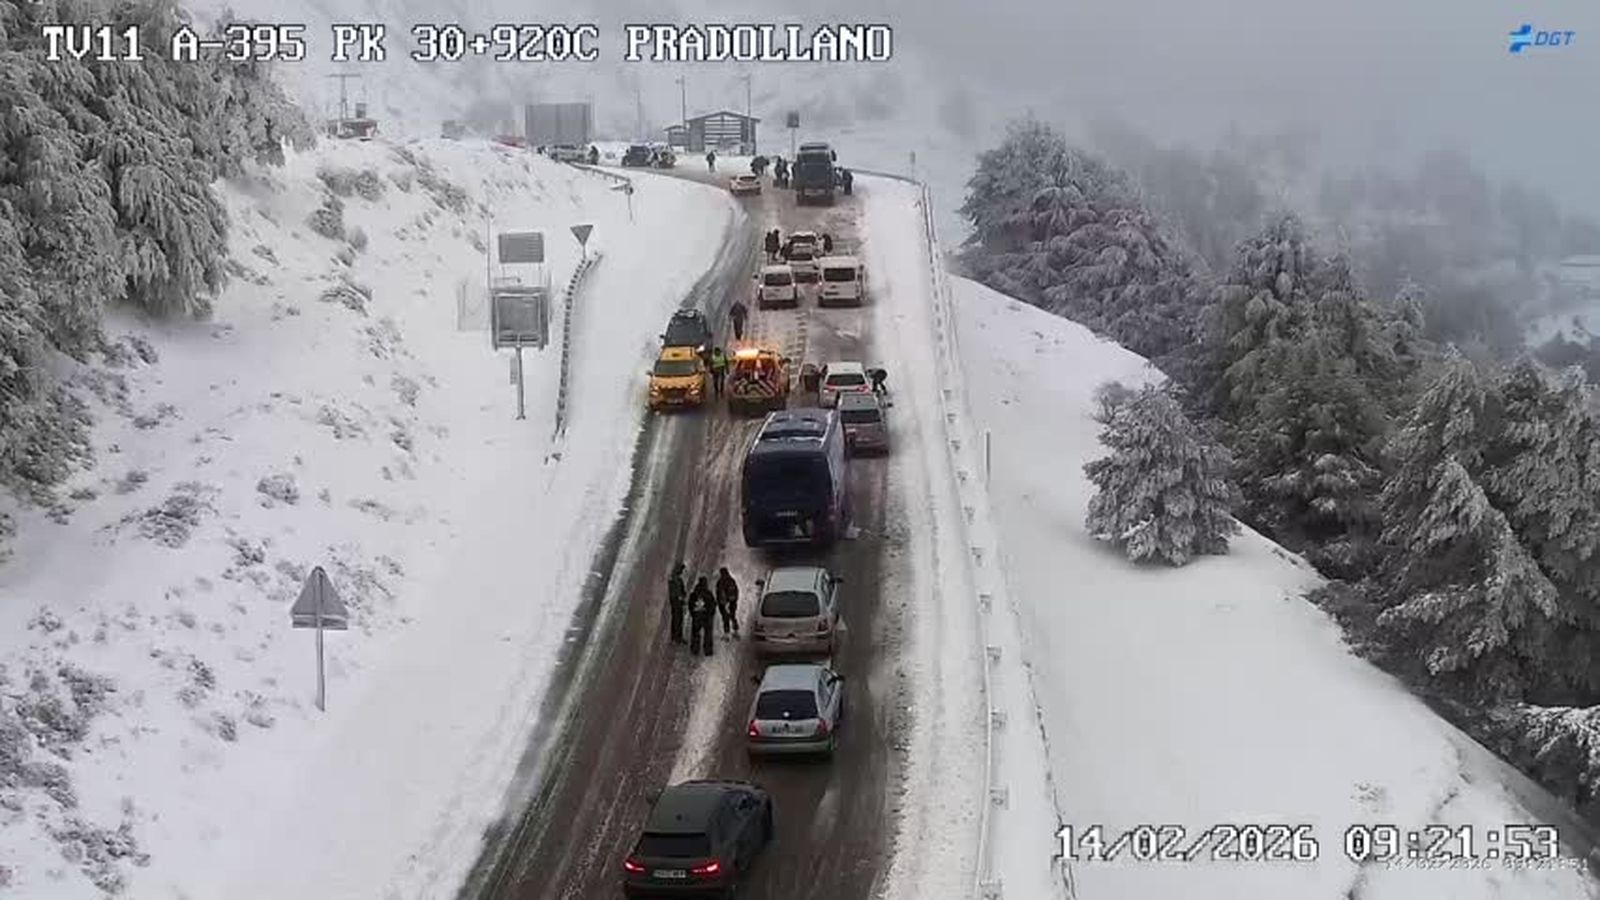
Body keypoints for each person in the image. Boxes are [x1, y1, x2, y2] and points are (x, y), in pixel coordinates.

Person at [688, 576, 716, 657]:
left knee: (695, 633)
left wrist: (693, 614)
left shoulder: (694, 593)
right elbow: (713, 604)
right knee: (708, 634)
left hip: (697, 616)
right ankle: (708, 651)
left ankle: (695, 650)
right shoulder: (708, 593)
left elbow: (690, 604)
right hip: (707, 617)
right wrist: (711, 614)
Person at [715, 567, 740, 637]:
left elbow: (719, 592)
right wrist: (735, 600)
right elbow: (737, 591)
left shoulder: (720, 581)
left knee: (725, 617)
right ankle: (736, 631)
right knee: (733, 616)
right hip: (733, 601)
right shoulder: (732, 580)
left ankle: (726, 633)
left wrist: (721, 602)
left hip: (724, 602)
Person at [667, 562, 688, 644]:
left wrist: (683, 597)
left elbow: (682, 590)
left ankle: (678, 636)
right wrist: (679, 597)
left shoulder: (679, 579)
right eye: (681, 570)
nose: (681, 572)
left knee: (679, 619)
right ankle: (675, 638)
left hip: (678, 602)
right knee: (676, 619)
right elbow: (673, 592)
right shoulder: (673, 579)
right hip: (675, 602)